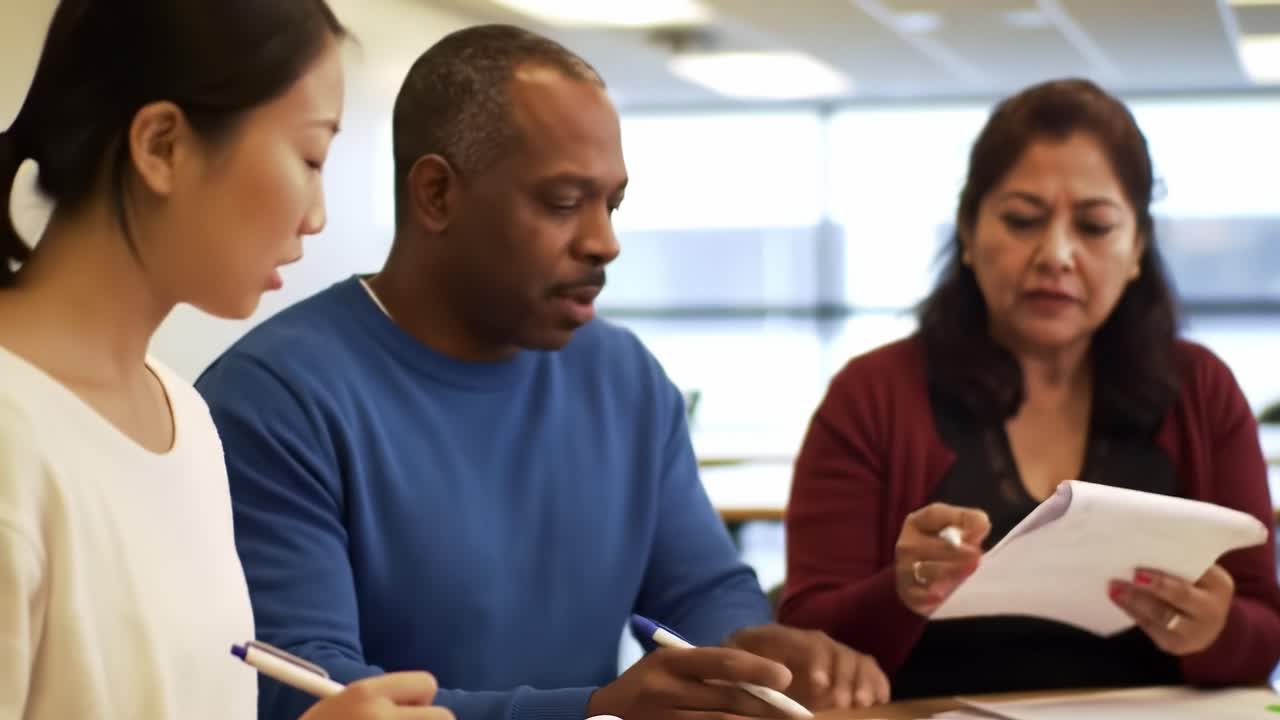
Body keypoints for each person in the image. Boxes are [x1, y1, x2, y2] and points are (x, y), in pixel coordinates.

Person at [194, 23, 890, 720]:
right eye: (562, 203)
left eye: (611, 204)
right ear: (436, 194)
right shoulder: (274, 399)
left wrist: (752, 654)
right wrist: (590, 712)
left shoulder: (624, 380)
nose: (603, 242)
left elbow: (700, 590)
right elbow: (306, 691)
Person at [0, 1, 452, 718]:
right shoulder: (14, 438)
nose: (316, 216)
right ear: (163, 146)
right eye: (309, 158)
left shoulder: (186, 420)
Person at [778, 78, 1280, 698]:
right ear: (967, 231)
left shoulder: (1201, 389)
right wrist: (901, 591)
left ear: (1137, 251)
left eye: (1095, 227)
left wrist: (1217, 630)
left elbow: (1263, 629)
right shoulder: (873, 395)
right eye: (1022, 220)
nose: (1057, 254)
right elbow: (804, 637)